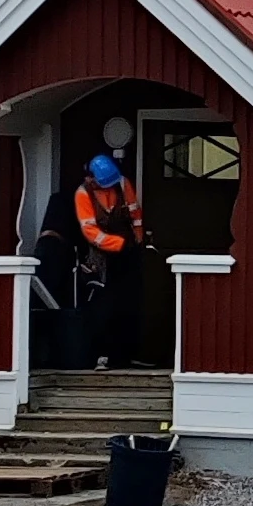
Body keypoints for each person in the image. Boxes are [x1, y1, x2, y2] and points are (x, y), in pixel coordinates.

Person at [75, 154, 146, 369]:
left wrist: (138, 238)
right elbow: (90, 231)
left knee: (130, 303)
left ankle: (128, 354)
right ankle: (103, 355)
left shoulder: (123, 184)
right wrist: (117, 244)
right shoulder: (83, 194)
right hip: (101, 257)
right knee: (104, 306)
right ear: (90, 178)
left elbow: (135, 213)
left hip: (128, 252)